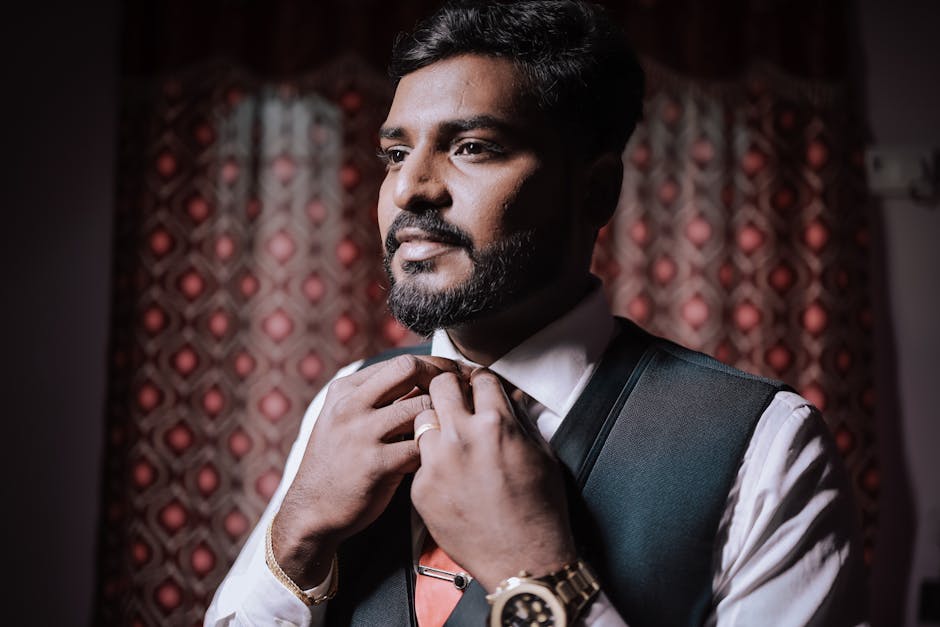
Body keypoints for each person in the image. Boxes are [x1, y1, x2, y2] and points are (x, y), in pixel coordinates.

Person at [206, 1, 867, 625]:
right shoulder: (345, 402)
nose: (410, 187)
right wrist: (294, 534)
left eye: (473, 147)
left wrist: (537, 572)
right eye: (396, 153)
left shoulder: (768, 447)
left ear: (597, 190)